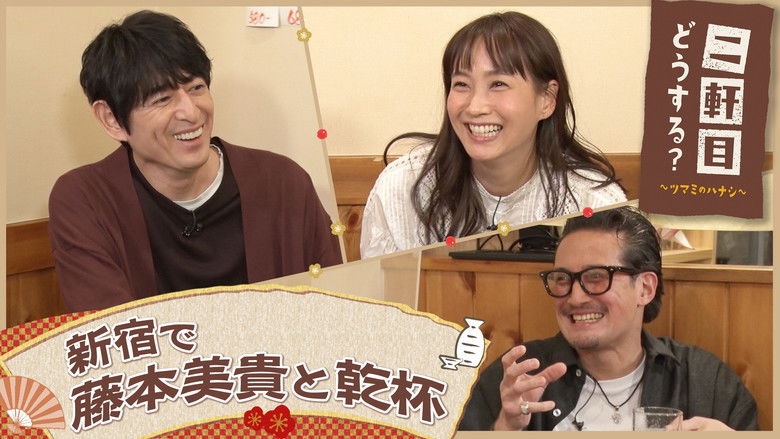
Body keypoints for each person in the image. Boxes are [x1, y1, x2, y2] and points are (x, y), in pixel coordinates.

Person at [48, 10, 342, 312]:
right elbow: (110, 329)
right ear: (111, 119)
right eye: (162, 99)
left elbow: (335, 309)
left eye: (196, 88)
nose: (191, 112)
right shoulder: (85, 200)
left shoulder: (283, 182)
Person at [458, 206, 758, 431]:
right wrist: (506, 427)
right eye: (562, 278)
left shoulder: (708, 384)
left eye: (597, 276)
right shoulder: (516, 378)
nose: (575, 298)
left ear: (645, 288)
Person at [360, 12, 627, 258]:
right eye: (461, 84)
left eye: (498, 84)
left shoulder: (594, 201)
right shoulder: (401, 187)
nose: (475, 107)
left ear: (546, 99)